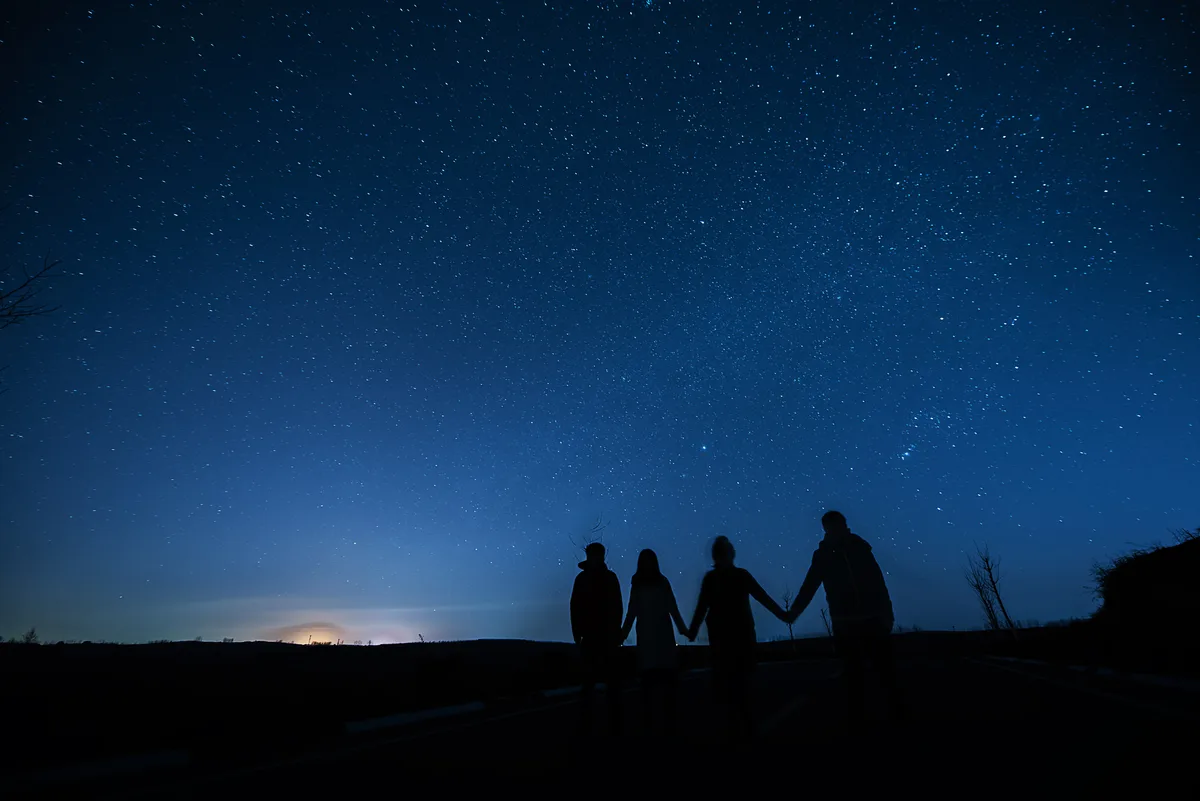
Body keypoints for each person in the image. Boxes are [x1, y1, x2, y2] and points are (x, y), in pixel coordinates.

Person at [785, 510, 905, 726]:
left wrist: (886, 613)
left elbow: (877, 581)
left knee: (885, 673)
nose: (836, 529)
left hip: (872, 619)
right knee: (854, 676)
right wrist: (794, 611)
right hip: (846, 623)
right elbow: (810, 585)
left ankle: (895, 715)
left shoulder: (860, 547)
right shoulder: (823, 554)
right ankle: (859, 721)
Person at [686, 535, 788, 741]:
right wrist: (783, 615)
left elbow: (702, 607)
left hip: (725, 640)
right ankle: (745, 729)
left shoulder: (713, 579)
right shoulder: (739, 576)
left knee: (728, 688)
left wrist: (693, 630)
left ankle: (732, 731)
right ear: (730, 554)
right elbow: (762, 597)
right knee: (742, 687)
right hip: (739, 638)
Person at [619, 549, 688, 736]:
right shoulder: (649, 582)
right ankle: (657, 723)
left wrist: (683, 628)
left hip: (658, 636)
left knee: (662, 681)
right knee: (654, 682)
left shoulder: (656, 582)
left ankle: (663, 723)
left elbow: (671, 606)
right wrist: (623, 634)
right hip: (653, 636)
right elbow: (632, 610)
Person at [570, 541, 624, 736]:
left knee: (609, 682)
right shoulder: (584, 579)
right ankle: (590, 724)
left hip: (605, 636)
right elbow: (575, 606)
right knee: (591, 681)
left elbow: (617, 606)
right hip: (593, 636)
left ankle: (611, 725)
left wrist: (616, 631)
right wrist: (577, 632)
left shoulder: (607, 578)